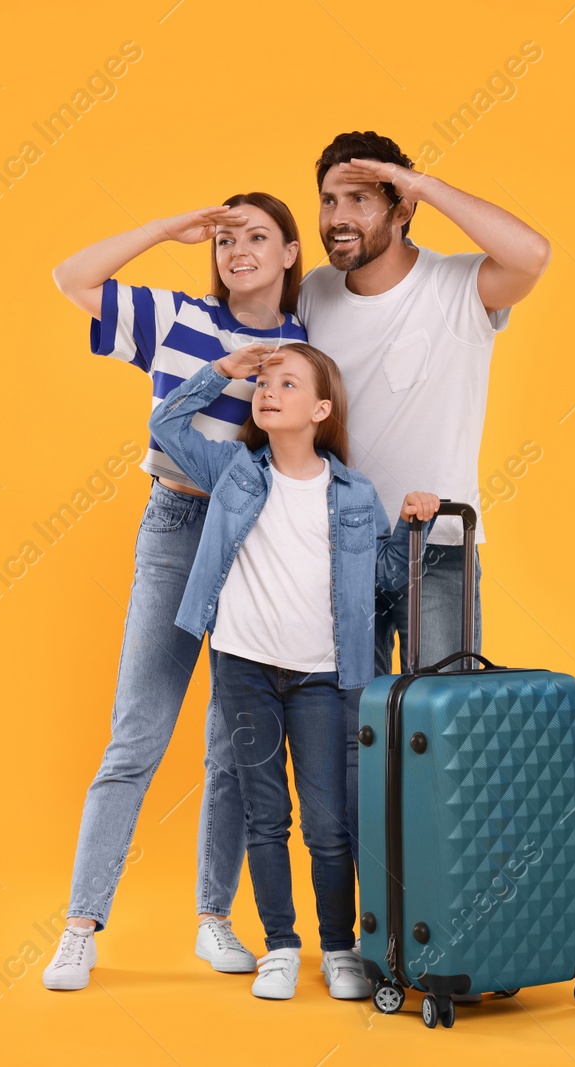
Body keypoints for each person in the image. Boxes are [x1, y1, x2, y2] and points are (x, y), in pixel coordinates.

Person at [42, 194, 308, 991]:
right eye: (227, 239)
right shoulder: (177, 316)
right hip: (176, 525)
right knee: (138, 730)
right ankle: (79, 927)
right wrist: (165, 230)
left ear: (292, 253)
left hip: (257, 539)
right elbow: (72, 278)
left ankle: (213, 919)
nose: (239, 250)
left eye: (258, 237)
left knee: (234, 742)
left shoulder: (311, 339)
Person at [148, 340, 440, 1000]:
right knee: (264, 817)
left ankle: (338, 945)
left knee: (329, 824)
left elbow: (385, 583)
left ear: (321, 408)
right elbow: (166, 425)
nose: (268, 390)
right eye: (264, 382)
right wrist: (223, 370)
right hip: (245, 669)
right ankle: (281, 944)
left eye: (286, 382)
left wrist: (409, 529)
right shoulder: (233, 472)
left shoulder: (356, 494)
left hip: (322, 678)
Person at [297, 130, 550, 680]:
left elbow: (532, 255)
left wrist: (423, 185)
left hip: (434, 547)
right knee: (349, 728)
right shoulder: (313, 292)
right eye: (328, 199)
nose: (338, 216)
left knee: (435, 730)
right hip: (340, 546)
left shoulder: (457, 286)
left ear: (402, 208)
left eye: (360, 198)